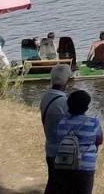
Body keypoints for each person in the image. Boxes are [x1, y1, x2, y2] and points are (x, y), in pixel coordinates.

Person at [52, 88, 102, 194]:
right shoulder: (93, 122)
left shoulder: (62, 123)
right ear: (86, 107)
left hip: (65, 164)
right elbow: (99, 140)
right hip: (85, 166)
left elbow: (59, 140)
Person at [41, 64, 71, 192]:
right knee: (62, 186)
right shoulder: (63, 101)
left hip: (50, 147)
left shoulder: (46, 97)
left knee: (52, 183)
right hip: (62, 151)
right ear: (67, 81)